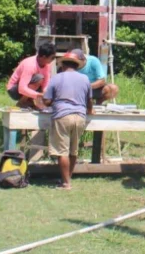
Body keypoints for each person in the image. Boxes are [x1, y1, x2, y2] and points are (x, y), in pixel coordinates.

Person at [41, 51, 92, 191]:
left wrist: (50, 102)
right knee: (73, 150)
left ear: (62, 64)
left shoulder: (56, 78)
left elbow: (46, 101)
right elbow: (89, 101)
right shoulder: (85, 79)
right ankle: (67, 178)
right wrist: (90, 111)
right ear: (77, 65)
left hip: (62, 116)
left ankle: (66, 183)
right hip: (80, 116)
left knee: (62, 151)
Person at [6, 42, 55, 109]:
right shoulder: (30, 65)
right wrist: (38, 95)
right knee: (39, 78)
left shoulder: (48, 65)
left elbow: (45, 85)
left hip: (27, 89)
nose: (53, 60)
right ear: (43, 57)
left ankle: (30, 102)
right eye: (52, 58)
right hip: (14, 90)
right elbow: (22, 89)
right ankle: (22, 102)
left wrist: (46, 95)